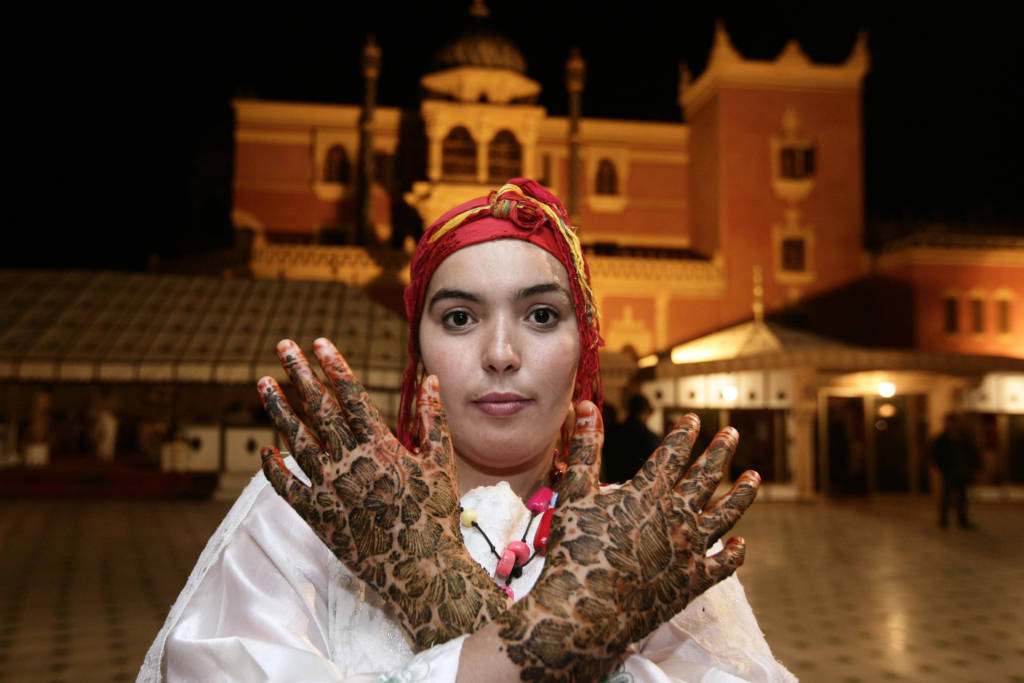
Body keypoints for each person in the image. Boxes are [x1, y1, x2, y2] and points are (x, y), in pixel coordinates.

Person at [140, 179, 793, 681]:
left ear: (584, 348)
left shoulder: (643, 546)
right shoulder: (316, 514)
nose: (502, 352)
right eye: (459, 318)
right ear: (419, 349)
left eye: (541, 314)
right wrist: (538, 639)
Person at [931, 412, 979, 529]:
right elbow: (936, 454)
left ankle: (962, 519)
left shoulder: (964, 437)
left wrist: (972, 466)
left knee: (962, 496)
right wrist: (941, 467)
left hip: (962, 470)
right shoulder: (942, 438)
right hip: (948, 471)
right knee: (946, 496)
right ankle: (944, 520)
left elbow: (972, 452)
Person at [604, 394, 661, 484]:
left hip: (612, 486)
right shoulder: (651, 437)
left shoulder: (611, 431)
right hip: (638, 490)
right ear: (647, 412)